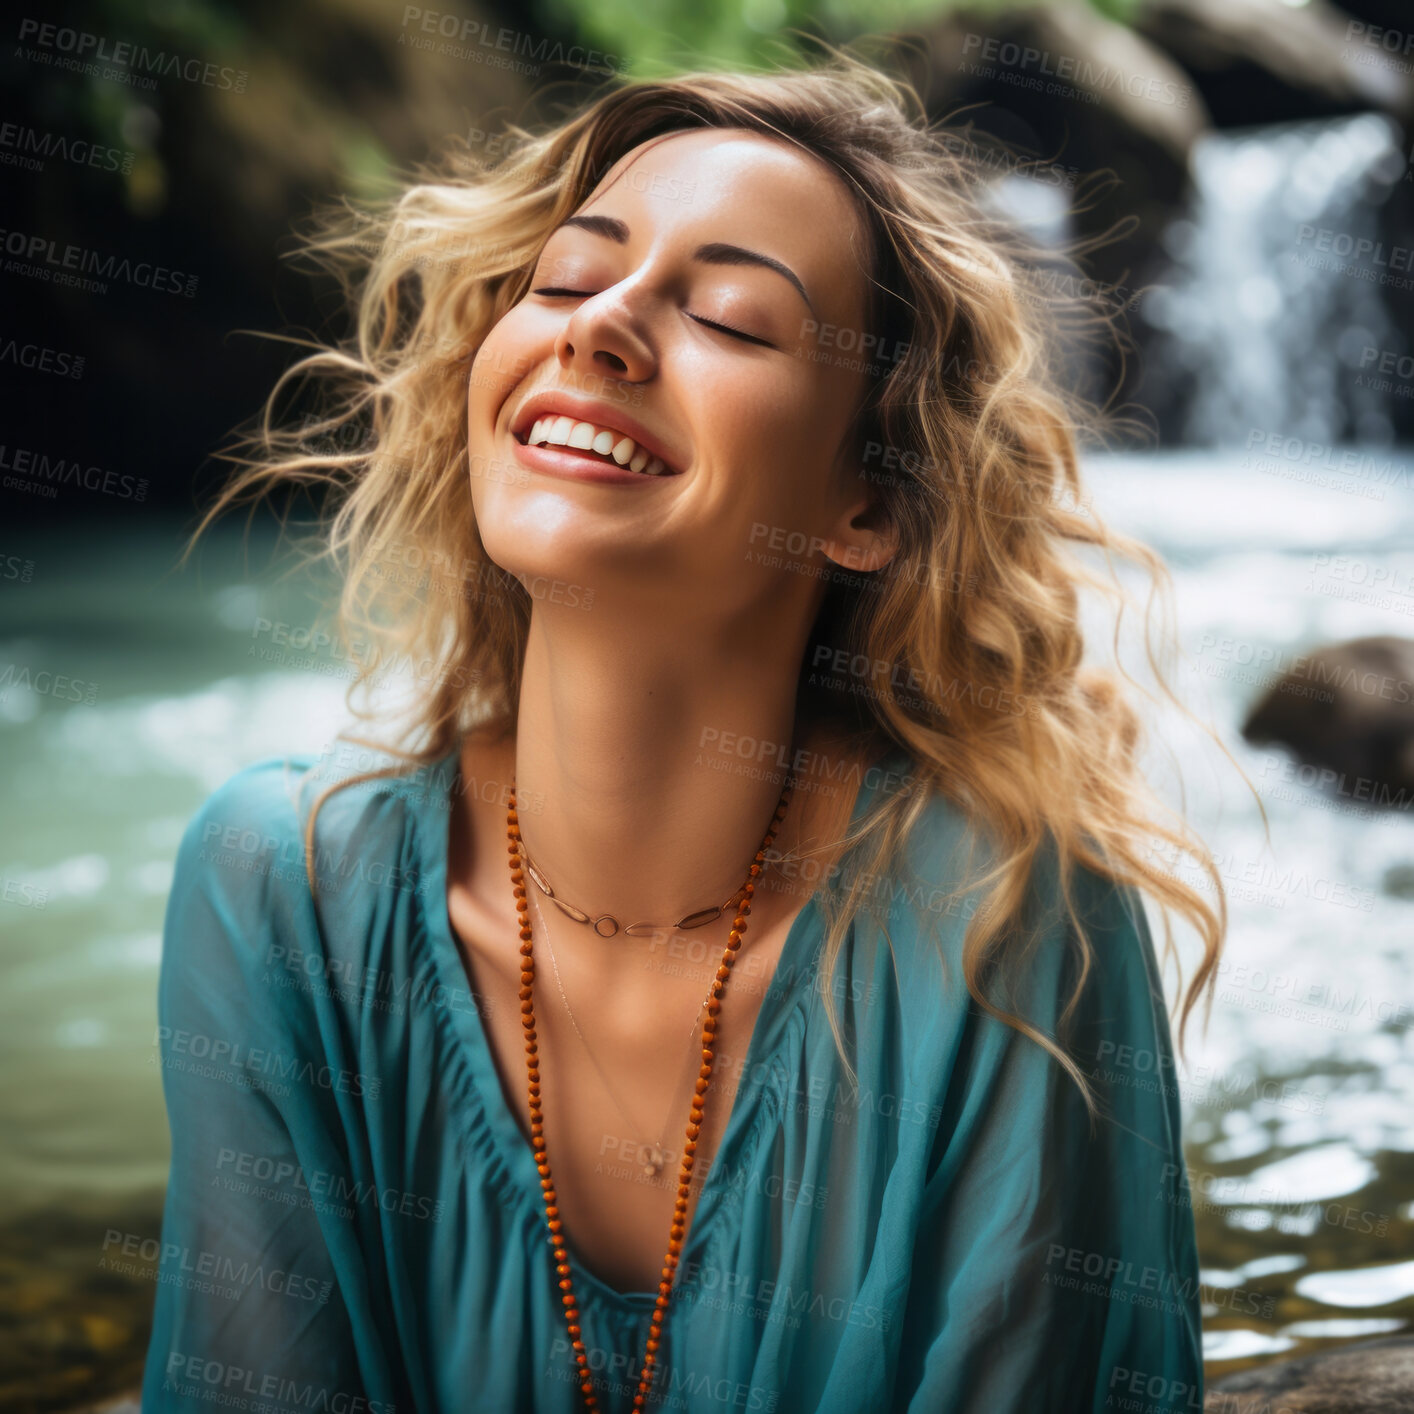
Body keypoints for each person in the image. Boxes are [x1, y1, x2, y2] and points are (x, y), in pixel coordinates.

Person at [142, 53, 1225, 1414]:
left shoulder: (1004, 913)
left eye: (727, 314)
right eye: (562, 275)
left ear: (866, 507)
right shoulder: (283, 890)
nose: (599, 325)